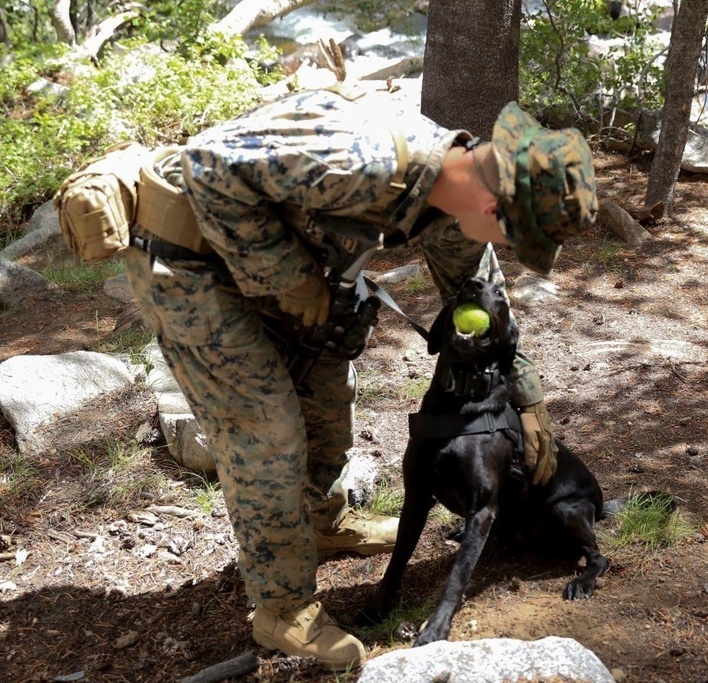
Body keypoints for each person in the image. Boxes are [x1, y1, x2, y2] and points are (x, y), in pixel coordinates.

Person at [124, 85, 597, 672]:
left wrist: (529, 402)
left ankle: (321, 525)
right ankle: (281, 609)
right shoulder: (367, 159)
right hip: (186, 261)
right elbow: (205, 168)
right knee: (266, 428)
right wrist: (295, 280)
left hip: (266, 261)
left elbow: (482, 296)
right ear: (495, 207)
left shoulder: (455, 196)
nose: (508, 245)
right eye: (516, 235)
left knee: (328, 389)